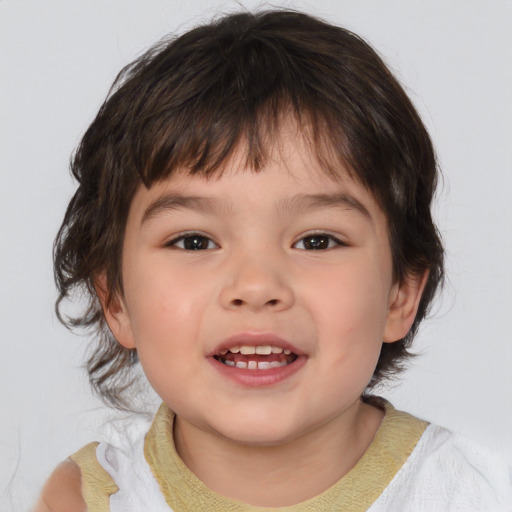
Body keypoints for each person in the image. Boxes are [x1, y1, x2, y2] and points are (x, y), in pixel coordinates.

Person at [34, 9, 511, 511]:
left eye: (317, 241)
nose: (257, 286)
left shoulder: (478, 494)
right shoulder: (84, 499)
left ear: (401, 293)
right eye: (194, 242)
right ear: (115, 301)